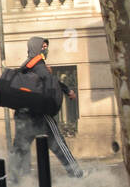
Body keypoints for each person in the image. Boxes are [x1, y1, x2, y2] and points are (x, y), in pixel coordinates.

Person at [8, 36, 82, 179]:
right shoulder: (39, 65)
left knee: (19, 150)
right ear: (36, 47)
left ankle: (12, 181)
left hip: (23, 114)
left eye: (46, 46)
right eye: (43, 46)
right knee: (59, 145)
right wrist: (67, 90)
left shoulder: (25, 66)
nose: (45, 49)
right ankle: (77, 174)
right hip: (40, 114)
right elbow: (50, 82)